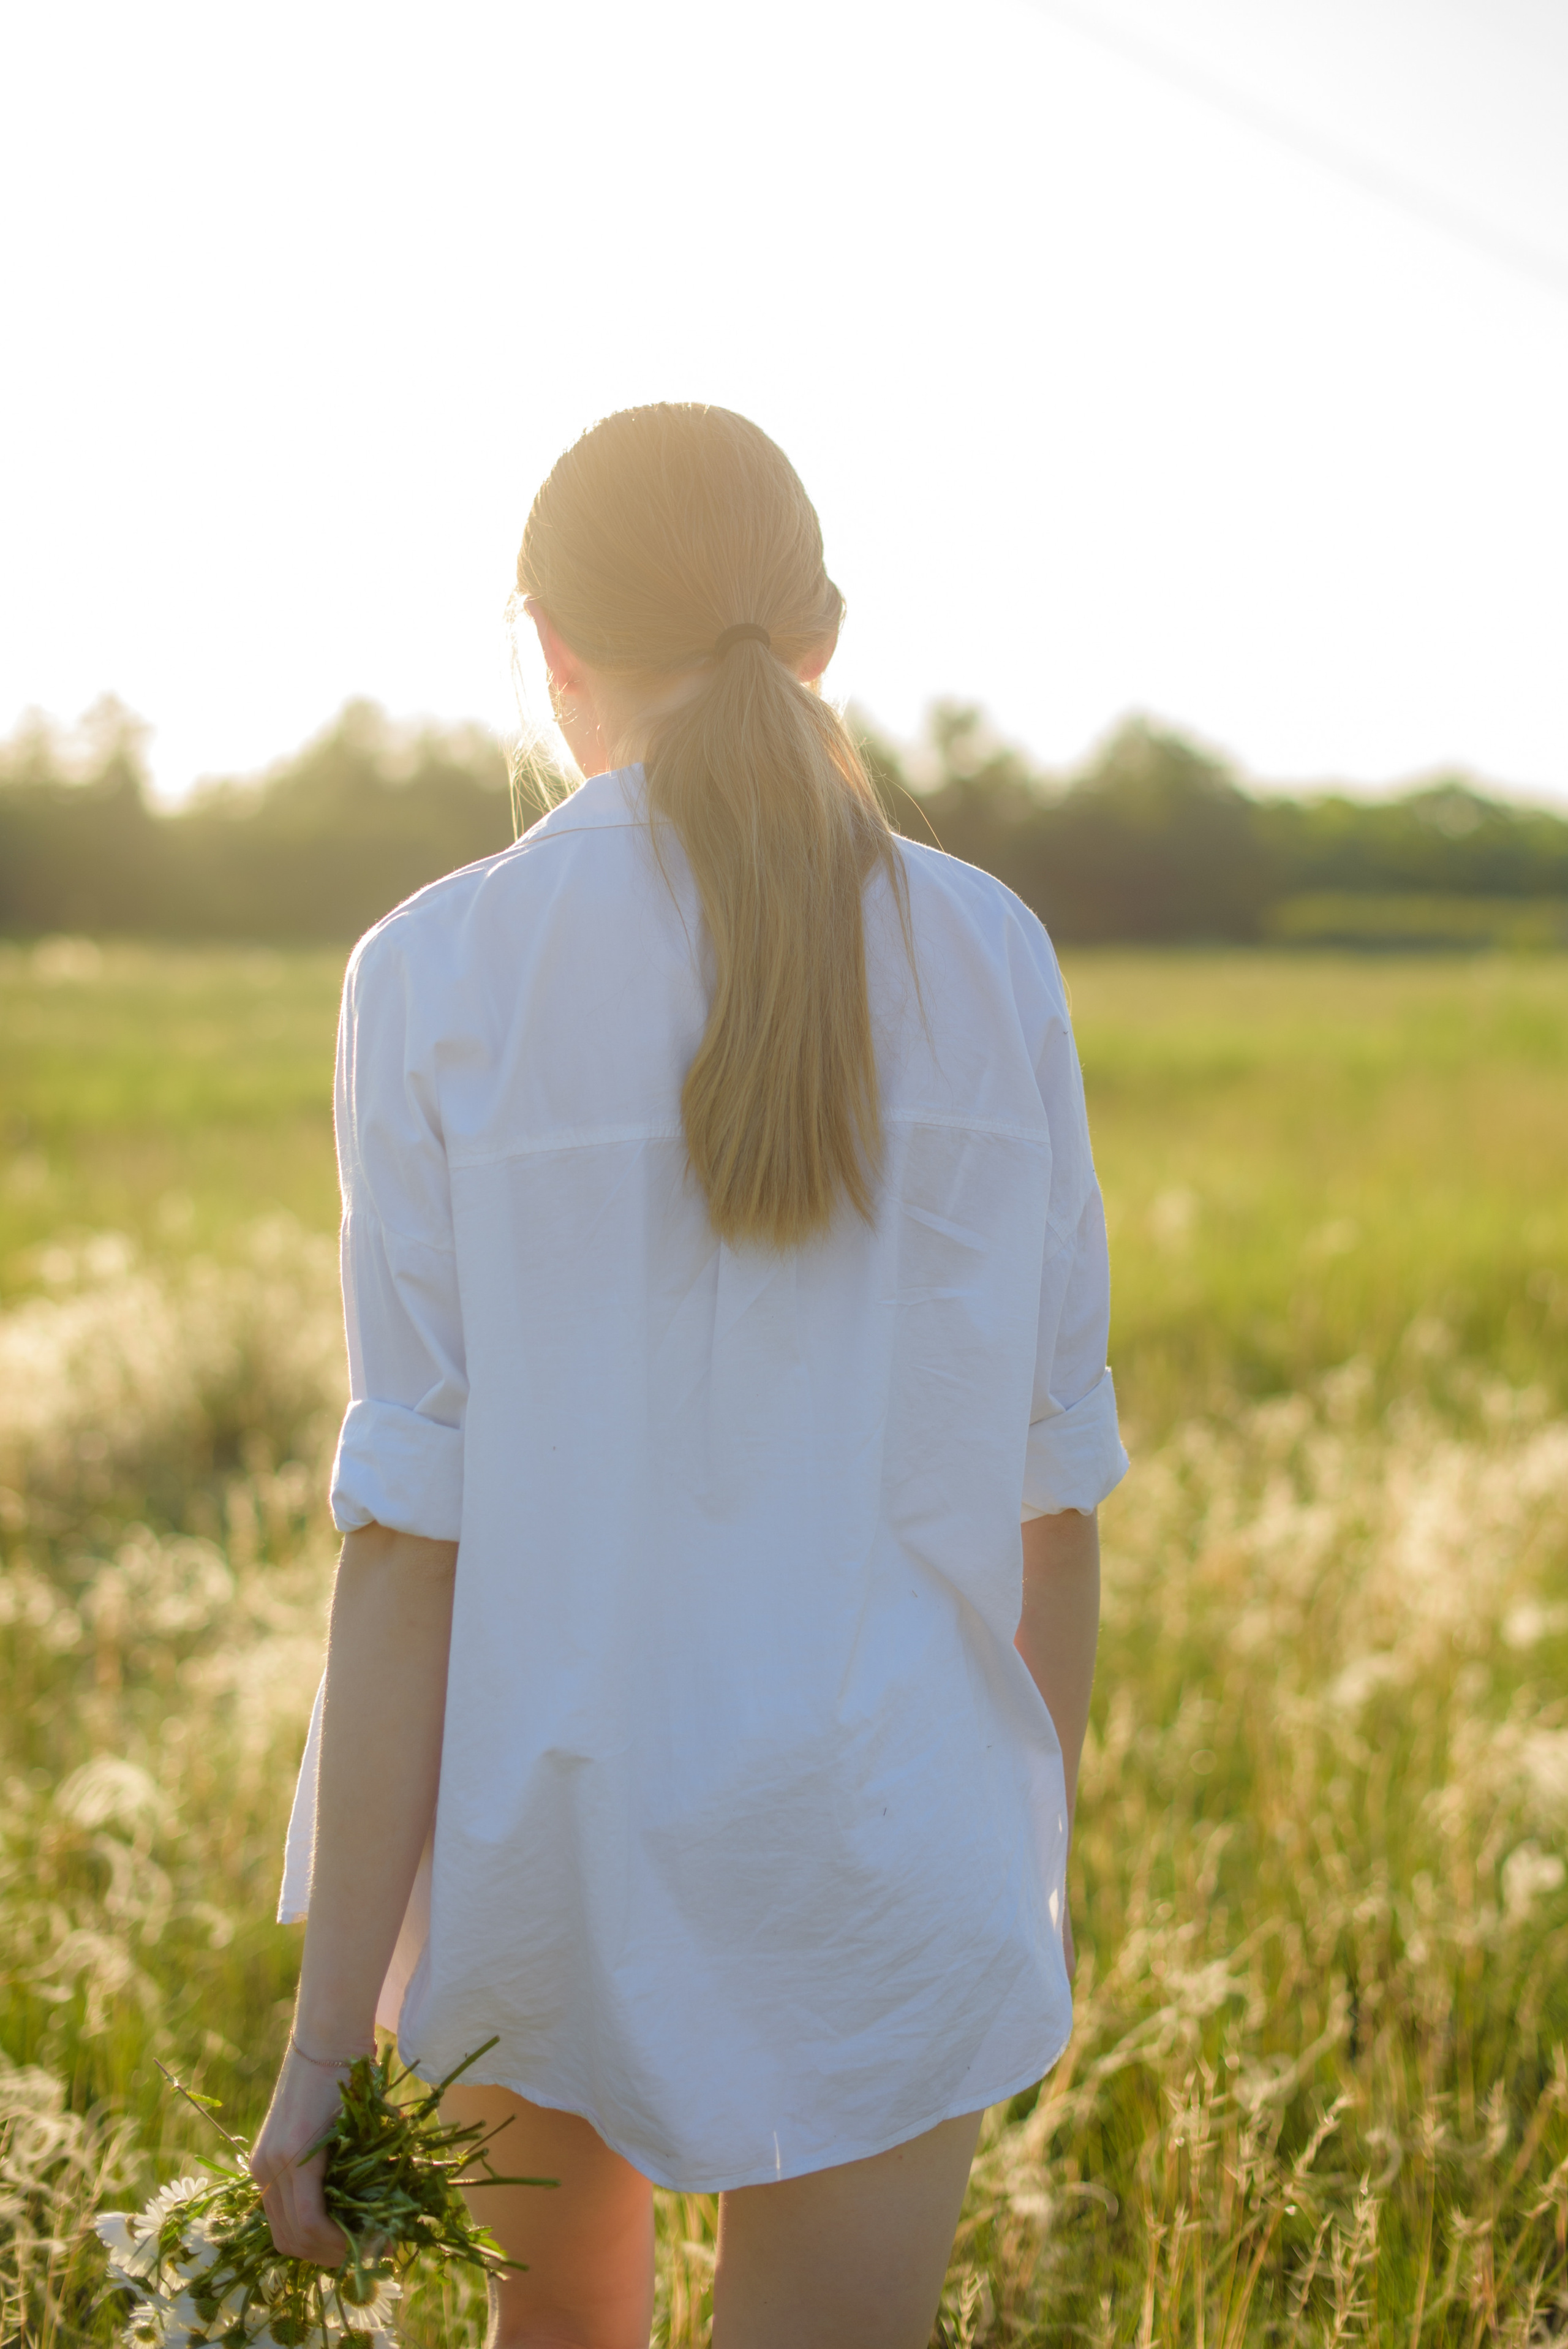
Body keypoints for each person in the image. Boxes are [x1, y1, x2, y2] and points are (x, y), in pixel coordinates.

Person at [251, 404, 1127, 2349]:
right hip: (892, 1845)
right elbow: (1053, 1507)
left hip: (534, 1842)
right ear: (823, 634)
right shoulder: (994, 953)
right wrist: (1015, 1870)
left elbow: (411, 1547)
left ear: (549, 651)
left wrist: (325, 2047)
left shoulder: (434, 973)